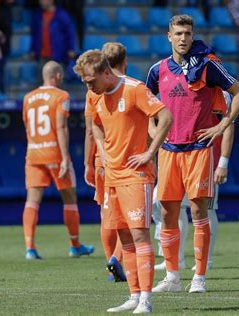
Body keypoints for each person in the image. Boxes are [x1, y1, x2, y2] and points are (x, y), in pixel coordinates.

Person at [146, 14, 239, 293]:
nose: (183, 38)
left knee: (198, 210)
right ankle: (172, 277)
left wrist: (225, 123)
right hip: (168, 151)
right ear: (169, 36)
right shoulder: (157, 70)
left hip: (199, 149)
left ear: (193, 36)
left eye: (188, 33)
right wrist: (153, 130)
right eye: (178, 33)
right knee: (167, 212)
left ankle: (199, 278)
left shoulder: (207, 65)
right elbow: (145, 106)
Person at [74, 50, 173, 313]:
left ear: (107, 72)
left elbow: (166, 117)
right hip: (112, 175)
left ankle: (146, 301)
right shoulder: (94, 95)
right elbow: (95, 124)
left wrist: (150, 152)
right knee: (125, 236)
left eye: (91, 80)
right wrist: (102, 152)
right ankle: (133, 295)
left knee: (140, 235)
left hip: (136, 174)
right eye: (85, 82)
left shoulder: (134, 89)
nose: (88, 86)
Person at [152, 91, 235, 271]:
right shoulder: (177, 84)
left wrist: (223, 162)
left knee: (206, 209)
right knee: (172, 206)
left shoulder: (220, 92)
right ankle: (177, 259)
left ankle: (207, 260)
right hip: (178, 155)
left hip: (207, 158)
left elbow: (229, 127)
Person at [22, 60, 94, 260]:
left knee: (32, 201)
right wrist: (64, 158)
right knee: (69, 198)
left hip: (34, 153)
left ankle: (30, 248)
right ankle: (75, 245)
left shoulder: (28, 97)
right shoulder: (61, 96)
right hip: (54, 152)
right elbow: (61, 127)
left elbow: (27, 125)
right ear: (59, 77)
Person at [83, 42, 131, 282]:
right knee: (130, 215)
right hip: (126, 159)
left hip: (101, 159)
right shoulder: (130, 87)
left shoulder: (92, 91)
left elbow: (90, 130)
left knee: (106, 214)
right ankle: (117, 259)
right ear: (124, 62)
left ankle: (109, 265)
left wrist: (87, 164)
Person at [30, 0, 76, 68]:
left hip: (58, 55)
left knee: (58, 77)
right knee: (41, 77)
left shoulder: (61, 15)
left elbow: (70, 33)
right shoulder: (38, 16)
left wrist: (71, 48)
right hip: (42, 56)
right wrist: (33, 49)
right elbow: (35, 35)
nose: (41, 2)